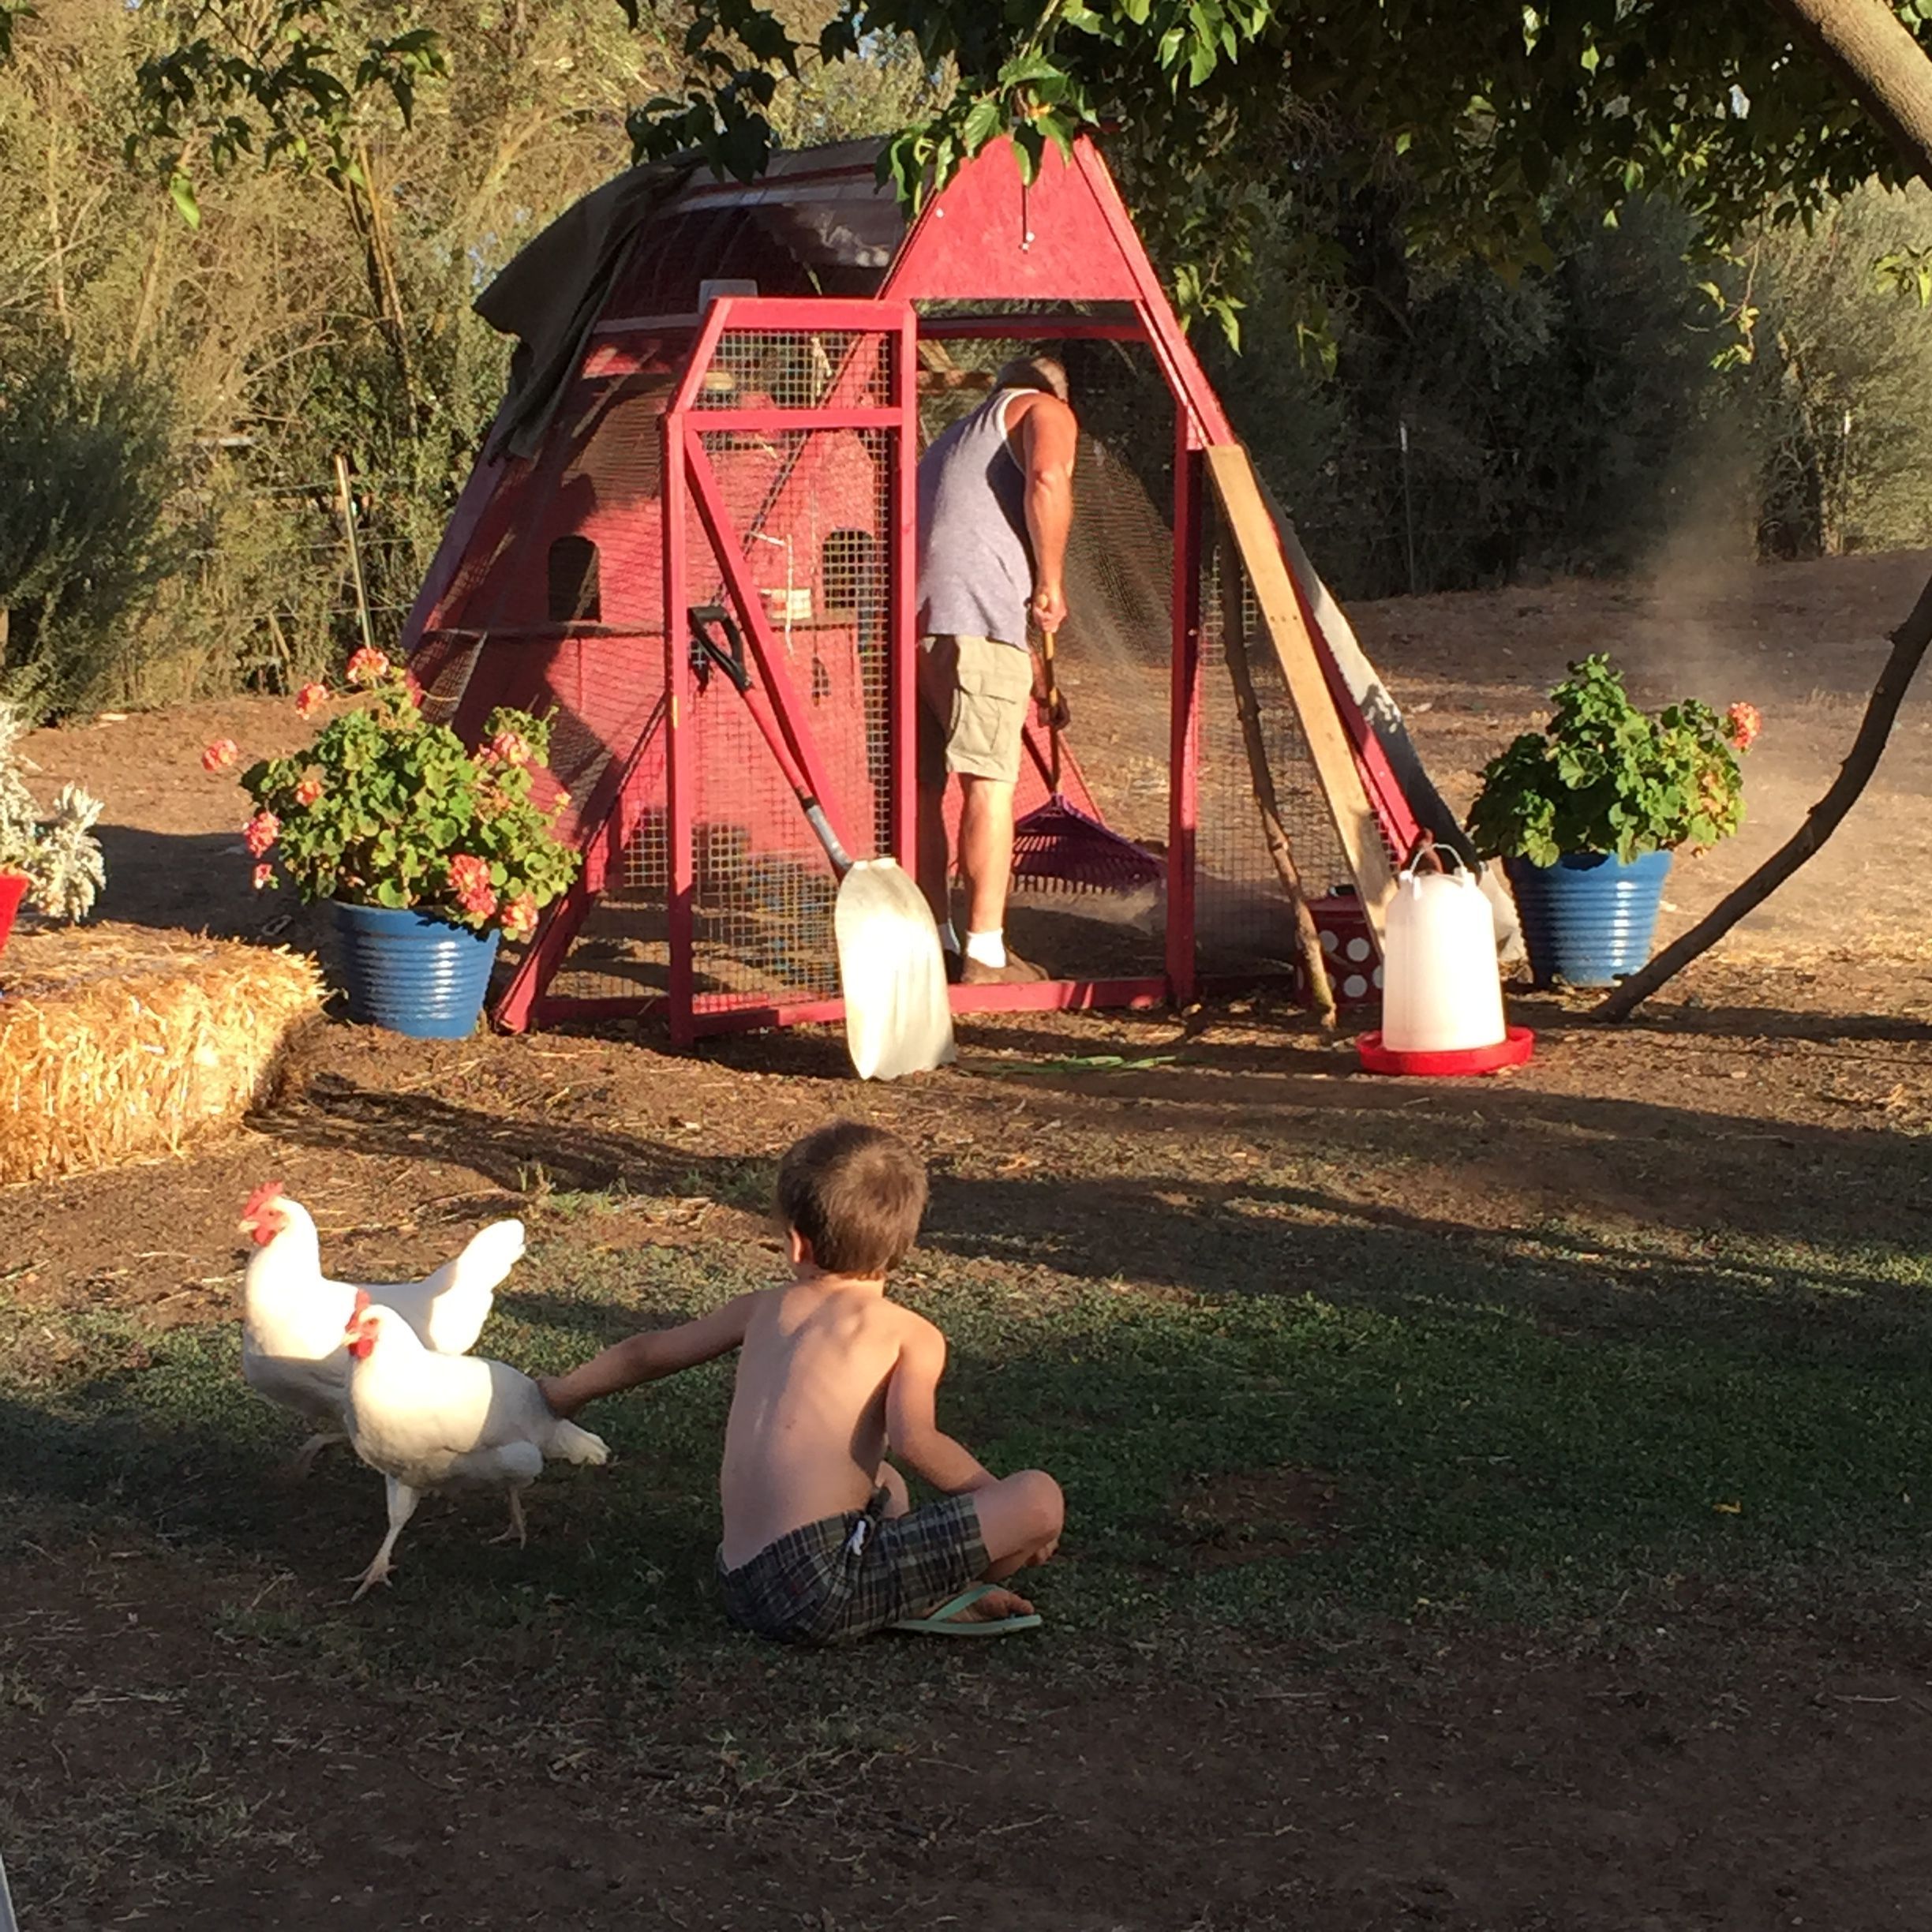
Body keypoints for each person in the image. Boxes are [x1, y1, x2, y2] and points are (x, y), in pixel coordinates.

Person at [537, 1121, 1064, 1644]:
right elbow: (916, 1441)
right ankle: (936, 1591)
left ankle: (913, 1594)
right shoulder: (909, 1334)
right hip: (819, 1590)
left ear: (795, 1243)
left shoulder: (763, 1309)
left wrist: (564, 1392)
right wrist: (1009, 1508)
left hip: (741, 1583)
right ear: (904, 1239)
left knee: (885, 1482)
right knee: (1039, 1497)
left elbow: (644, 1352)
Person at [914, 354, 1079, 984]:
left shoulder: (958, 436)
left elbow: (968, 536)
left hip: (916, 624)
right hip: (976, 621)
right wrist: (1052, 581)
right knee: (988, 784)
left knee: (924, 789)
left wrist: (1035, 673)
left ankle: (934, 939)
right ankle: (985, 954)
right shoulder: (1044, 409)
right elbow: (1047, 477)